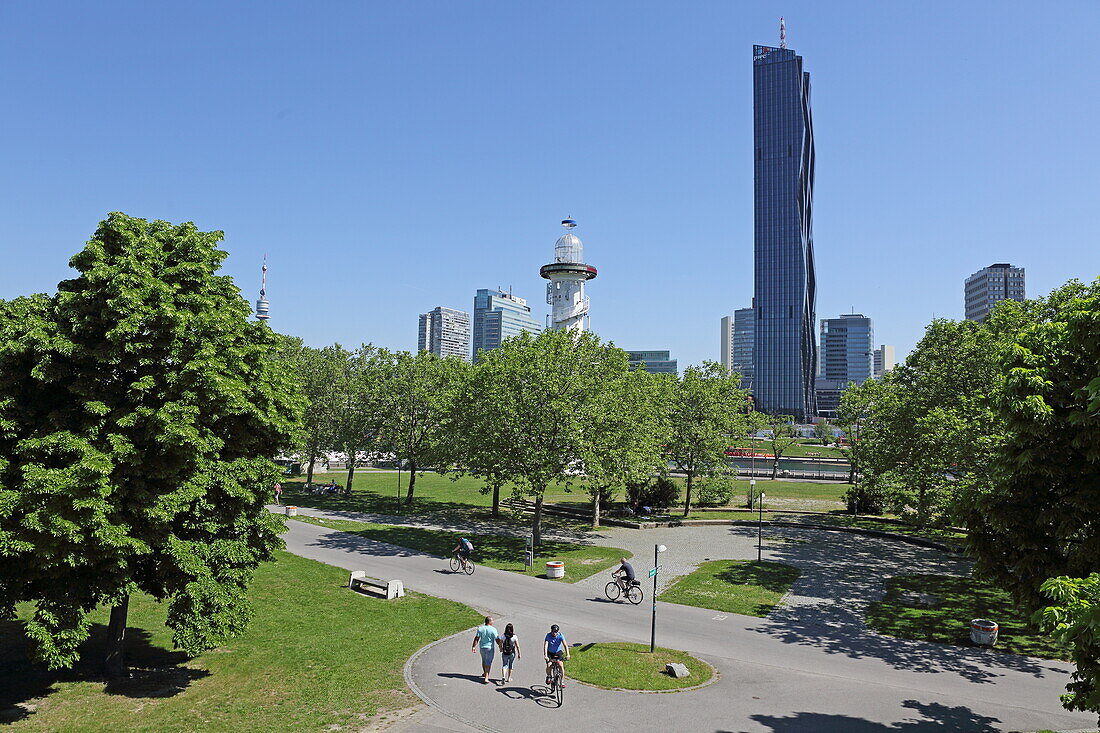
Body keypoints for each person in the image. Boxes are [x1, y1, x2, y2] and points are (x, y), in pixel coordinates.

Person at [471, 615, 499, 684]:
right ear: (489, 622)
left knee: (484, 660)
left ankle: (484, 672)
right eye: (492, 620)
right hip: (490, 648)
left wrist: (473, 646)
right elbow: (497, 639)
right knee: (488, 662)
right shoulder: (493, 629)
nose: (493, 621)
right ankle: (486, 677)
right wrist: (501, 645)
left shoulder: (480, 628)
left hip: (482, 647)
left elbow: (477, 638)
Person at [543, 623, 570, 688]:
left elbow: (565, 645)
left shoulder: (560, 636)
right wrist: (545, 655)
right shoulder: (548, 636)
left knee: (561, 665)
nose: (554, 633)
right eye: (553, 632)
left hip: (558, 652)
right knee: (549, 665)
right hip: (550, 652)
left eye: (556, 632)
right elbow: (546, 645)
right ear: (551, 631)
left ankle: (562, 681)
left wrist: (568, 654)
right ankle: (549, 676)